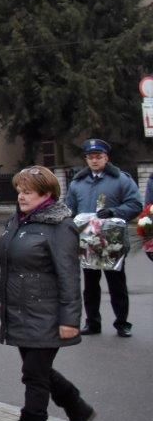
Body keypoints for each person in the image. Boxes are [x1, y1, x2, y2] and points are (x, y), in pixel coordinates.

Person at [0, 166, 95, 421]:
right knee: (38, 370)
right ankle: (77, 408)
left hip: (46, 313)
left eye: (27, 192)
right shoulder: (18, 220)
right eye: (19, 190)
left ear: (47, 194)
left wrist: (69, 320)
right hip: (18, 309)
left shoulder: (60, 226)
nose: (21, 196)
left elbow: (69, 276)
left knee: (34, 375)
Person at [63, 138, 141, 337]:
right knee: (90, 286)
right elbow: (68, 209)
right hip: (87, 243)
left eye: (99, 156)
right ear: (86, 159)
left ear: (106, 157)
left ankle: (122, 323)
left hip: (112, 243)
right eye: (90, 157)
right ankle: (92, 323)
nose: (94, 160)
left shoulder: (121, 179)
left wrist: (114, 211)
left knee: (117, 285)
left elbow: (135, 205)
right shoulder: (77, 183)